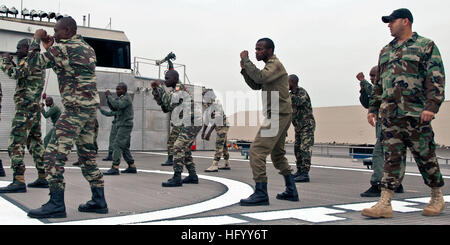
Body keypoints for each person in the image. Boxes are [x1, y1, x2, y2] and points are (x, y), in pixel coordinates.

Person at [362, 8, 446, 218]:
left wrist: (431, 107)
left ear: (405, 21)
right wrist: (373, 108)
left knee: (426, 156)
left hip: (416, 114)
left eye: (392, 21)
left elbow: (435, 78)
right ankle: (385, 202)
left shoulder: (425, 46)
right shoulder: (385, 51)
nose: (388, 25)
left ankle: (437, 196)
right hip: (390, 116)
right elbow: (379, 84)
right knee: (391, 158)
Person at [24, 17, 108, 218]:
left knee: (52, 154)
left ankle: (56, 204)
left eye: (56, 30)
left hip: (75, 110)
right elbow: (66, 66)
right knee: (87, 157)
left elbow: (33, 64)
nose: (54, 33)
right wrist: (51, 45)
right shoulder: (87, 47)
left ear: (67, 30)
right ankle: (99, 200)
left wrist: (36, 40)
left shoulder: (62, 49)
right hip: (89, 111)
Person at [239, 38, 298, 206]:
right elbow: (256, 84)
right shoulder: (270, 66)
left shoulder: (275, 64)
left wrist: (246, 60)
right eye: (256, 49)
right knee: (277, 155)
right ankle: (291, 190)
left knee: (256, 151)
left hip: (278, 114)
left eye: (260, 49)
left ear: (270, 50)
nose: (257, 52)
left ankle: (261, 193)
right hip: (280, 114)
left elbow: (259, 77)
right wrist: (245, 71)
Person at [0, 39, 47, 193]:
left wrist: (5, 60)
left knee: (15, 143)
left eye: (19, 48)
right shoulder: (34, 62)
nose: (17, 51)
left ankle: (18, 180)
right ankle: (43, 176)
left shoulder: (31, 61)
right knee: (35, 143)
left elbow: (15, 73)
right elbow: (22, 74)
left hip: (25, 109)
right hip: (33, 109)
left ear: (28, 49)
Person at [357, 67, 404, 197]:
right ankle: (397, 184)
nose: (371, 78)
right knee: (393, 154)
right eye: (369, 76)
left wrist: (363, 81)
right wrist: (362, 91)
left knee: (378, 153)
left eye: (373, 76)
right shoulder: (376, 89)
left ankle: (377, 184)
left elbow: (374, 94)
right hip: (385, 125)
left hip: (389, 124)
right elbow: (368, 103)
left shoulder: (386, 85)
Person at [151, 70, 203, 187]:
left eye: (167, 78)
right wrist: (156, 91)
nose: (165, 80)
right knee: (185, 149)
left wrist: (159, 87)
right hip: (186, 121)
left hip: (192, 121)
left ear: (175, 79)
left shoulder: (179, 89)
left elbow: (168, 101)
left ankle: (177, 177)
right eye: (165, 78)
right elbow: (166, 108)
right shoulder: (175, 90)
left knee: (178, 146)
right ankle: (193, 176)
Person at [103, 82, 136, 175]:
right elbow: (114, 108)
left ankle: (115, 167)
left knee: (117, 145)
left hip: (125, 125)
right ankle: (132, 166)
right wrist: (108, 98)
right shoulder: (121, 98)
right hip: (122, 125)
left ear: (124, 90)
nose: (117, 91)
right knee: (124, 147)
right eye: (117, 89)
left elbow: (118, 105)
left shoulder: (126, 98)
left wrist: (109, 97)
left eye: (119, 89)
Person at [289, 74, 315, 183]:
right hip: (298, 127)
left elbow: (300, 101)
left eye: (287, 82)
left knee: (305, 148)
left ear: (292, 82)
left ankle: (305, 173)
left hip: (307, 126)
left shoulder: (301, 92)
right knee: (297, 149)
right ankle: (299, 170)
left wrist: (287, 95)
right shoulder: (290, 95)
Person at [202, 89, 231, 172]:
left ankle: (215, 165)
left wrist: (209, 133)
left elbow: (218, 119)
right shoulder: (207, 105)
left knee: (219, 144)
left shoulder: (216, 104)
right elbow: (207, 119)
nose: (203, 96)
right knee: (224, 145)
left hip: (223, 126)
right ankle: (227, 163)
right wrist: (203, 132)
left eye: (205, 95)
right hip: (218, 126)